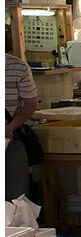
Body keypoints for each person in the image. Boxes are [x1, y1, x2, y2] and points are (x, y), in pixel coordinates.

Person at [6, 43, 38, 201]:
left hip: (10, 139)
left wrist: (11, 127)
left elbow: (31, 104)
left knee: (16, 198)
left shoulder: (17, 67)